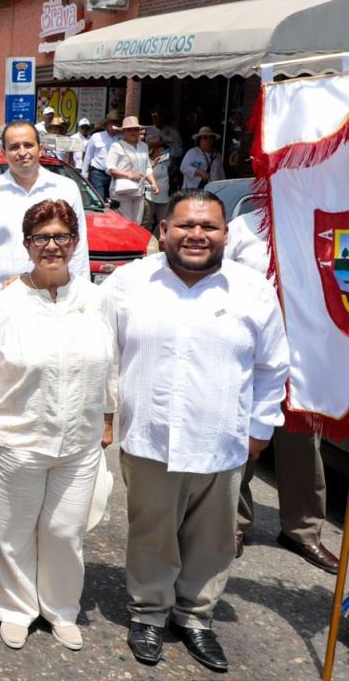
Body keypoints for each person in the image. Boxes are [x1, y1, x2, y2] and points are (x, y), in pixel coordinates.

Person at [108, 189, 289, 672]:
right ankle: (149, 612)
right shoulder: (129, 283)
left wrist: (261, 427)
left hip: (222, 440)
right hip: (150, 438)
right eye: (186, 225)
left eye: (208, 226)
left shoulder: (253, 289)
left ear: (226, 234)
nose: (197, 235)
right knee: (152, 533)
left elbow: (272, 366)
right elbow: (103, 350)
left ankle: (195, 616)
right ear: (164, 229)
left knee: (213, 539)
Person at [0, 199, 117, 652]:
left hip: (78, 442)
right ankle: (16, 609)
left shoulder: (97, 301)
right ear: (26, 244)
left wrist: (108, 416)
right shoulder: (3, 305)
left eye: (61, 237)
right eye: (41, 237)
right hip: (14, 440)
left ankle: (61, 609)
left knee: (65, 532)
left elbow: (111, 363)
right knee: (12, 533)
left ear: (75, 243)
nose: (51, 246)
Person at [228, 209, 338, 572]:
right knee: (243, 441)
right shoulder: (243, 228)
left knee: (303, 446)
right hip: (248, 352)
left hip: (303, 354)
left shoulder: (329, 226)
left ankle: (302, 530)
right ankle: (232, 524)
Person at [0, 121, 88, 309]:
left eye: (28, 145)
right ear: (4, 152)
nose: (22, 152)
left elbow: (78, 249)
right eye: (14, 147)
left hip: (52, 300)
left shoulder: (66, 189)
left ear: (41, 149)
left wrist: (80, 300)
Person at [106, 116, 158, 223]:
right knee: (125, 223)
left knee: (137, 223)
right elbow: (110, 169)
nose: (133, 132)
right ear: (123, 131)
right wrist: (129, 175)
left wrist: (153, 183)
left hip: (139, 191)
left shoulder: (144, 146)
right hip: (121, 192)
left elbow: (147, 167)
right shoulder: (116, 146)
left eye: (136, 129)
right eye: (129, 130)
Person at [81, 112, 121, 198]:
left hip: (114, 175)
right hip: (98, 173)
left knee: (112, 199)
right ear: (106, 124)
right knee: (100, 198)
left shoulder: (121, 138)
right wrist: (84, 173)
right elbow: (88, 155)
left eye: (117, 123)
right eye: (112, 123)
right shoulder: (96, 136)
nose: (114, 125)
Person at [144, 134, 171, 231]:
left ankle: (158, 238)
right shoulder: (146, 160)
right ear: (153, 149)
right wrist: (152, 164)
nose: (162, 150)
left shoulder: (164, 160)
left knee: (164, 223)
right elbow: (142, 174)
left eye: (162, 148)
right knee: (147, 222)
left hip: (163, 197)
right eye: (159, 148)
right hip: (150, 196)